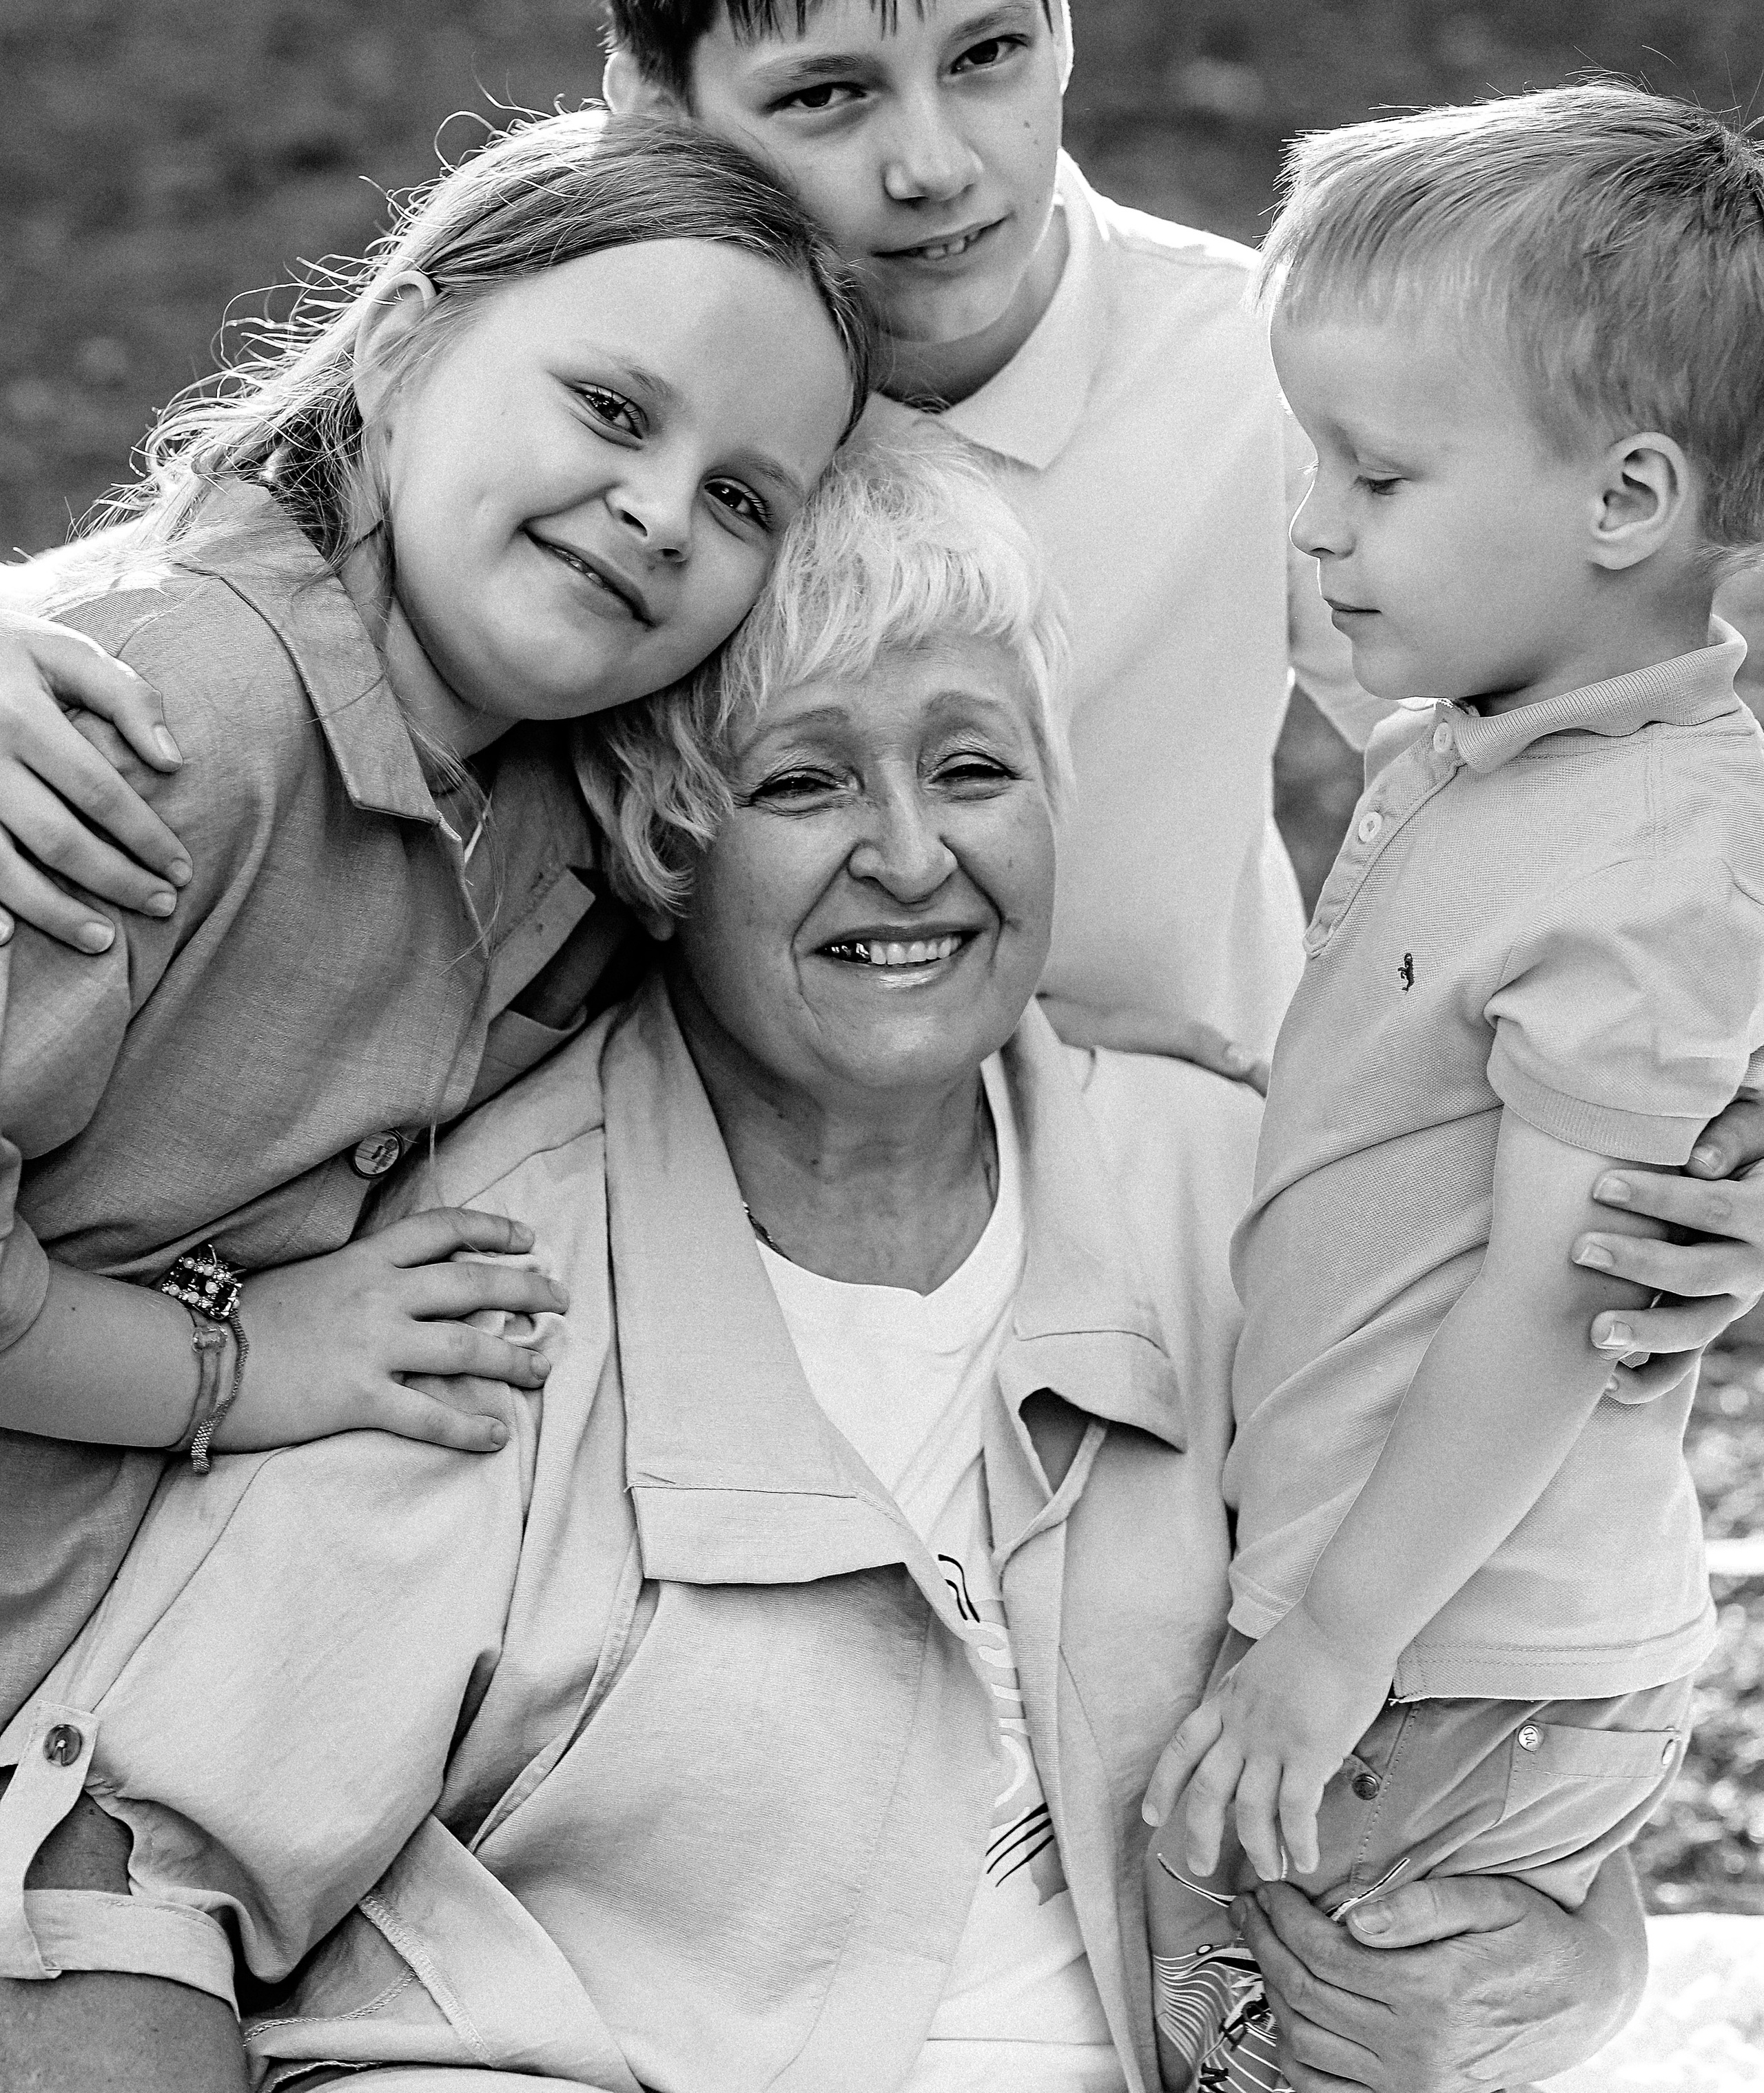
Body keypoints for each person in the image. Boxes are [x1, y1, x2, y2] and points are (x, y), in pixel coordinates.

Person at [0, 0, 1758, 1360]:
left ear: (1065, 0)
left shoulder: (1270, 382)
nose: (931, 161)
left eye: (988, 53)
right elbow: (291, 547)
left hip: (1157, 1217)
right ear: (648, 110)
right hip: (681, 1222)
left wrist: (1685, 1099)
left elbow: (1602, 738)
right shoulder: (639, 401)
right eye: (828, 93)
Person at [0, 431, 1650, 2093]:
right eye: (802, 781)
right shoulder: (485, 1269)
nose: (912, 856)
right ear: (660, 839)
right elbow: (120, 1888)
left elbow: (1503, 1706)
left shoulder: (1239, 1197)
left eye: (974, 771)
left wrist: (1572, 1968)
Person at [0, 108, 874, 1728]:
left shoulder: (564, 821)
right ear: (402, 354)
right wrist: (246, 1362)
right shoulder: (160, 727)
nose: (663, 513)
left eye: (745, 499)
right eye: (611, 409)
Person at [1144, 87, 1764, 2089]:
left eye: (1378, 474)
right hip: (1414, 1624)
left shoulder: (1656, 855)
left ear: (1625, 505)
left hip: (1449, 1649)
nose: (1317, 520)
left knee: (1294, 2038)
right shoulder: (1508, 739)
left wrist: (1336, 1643)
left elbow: (1560, 1299)